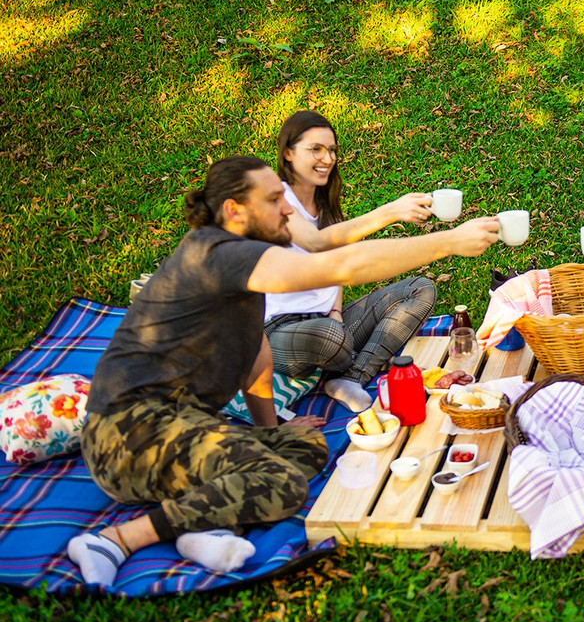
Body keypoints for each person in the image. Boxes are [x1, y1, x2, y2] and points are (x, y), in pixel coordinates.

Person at [67, 156, 499, 586]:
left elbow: (256, 357)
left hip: (184, 424)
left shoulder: (243, 262)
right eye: (275, 200)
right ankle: (116, 539)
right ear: (235, 211)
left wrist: (268, 431)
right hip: (126, 438)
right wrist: (447, 242)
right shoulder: (216, 252)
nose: (289, 209)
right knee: (285, 484)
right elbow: (341, 266)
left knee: (307, 446)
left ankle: (197, 528)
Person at [264, 110, 437, 413]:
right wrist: (389, 212)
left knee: (421, 289)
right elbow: (316, 242)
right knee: (331, 339)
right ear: (288, 153)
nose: (327, 158)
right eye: (315, 149)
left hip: (328, 323)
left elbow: (338, 266)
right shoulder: (276, 200)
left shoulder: (324, 204)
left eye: (331, 150)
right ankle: (354, 354)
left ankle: (351, 377)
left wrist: (335, 310)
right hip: (278, 331)